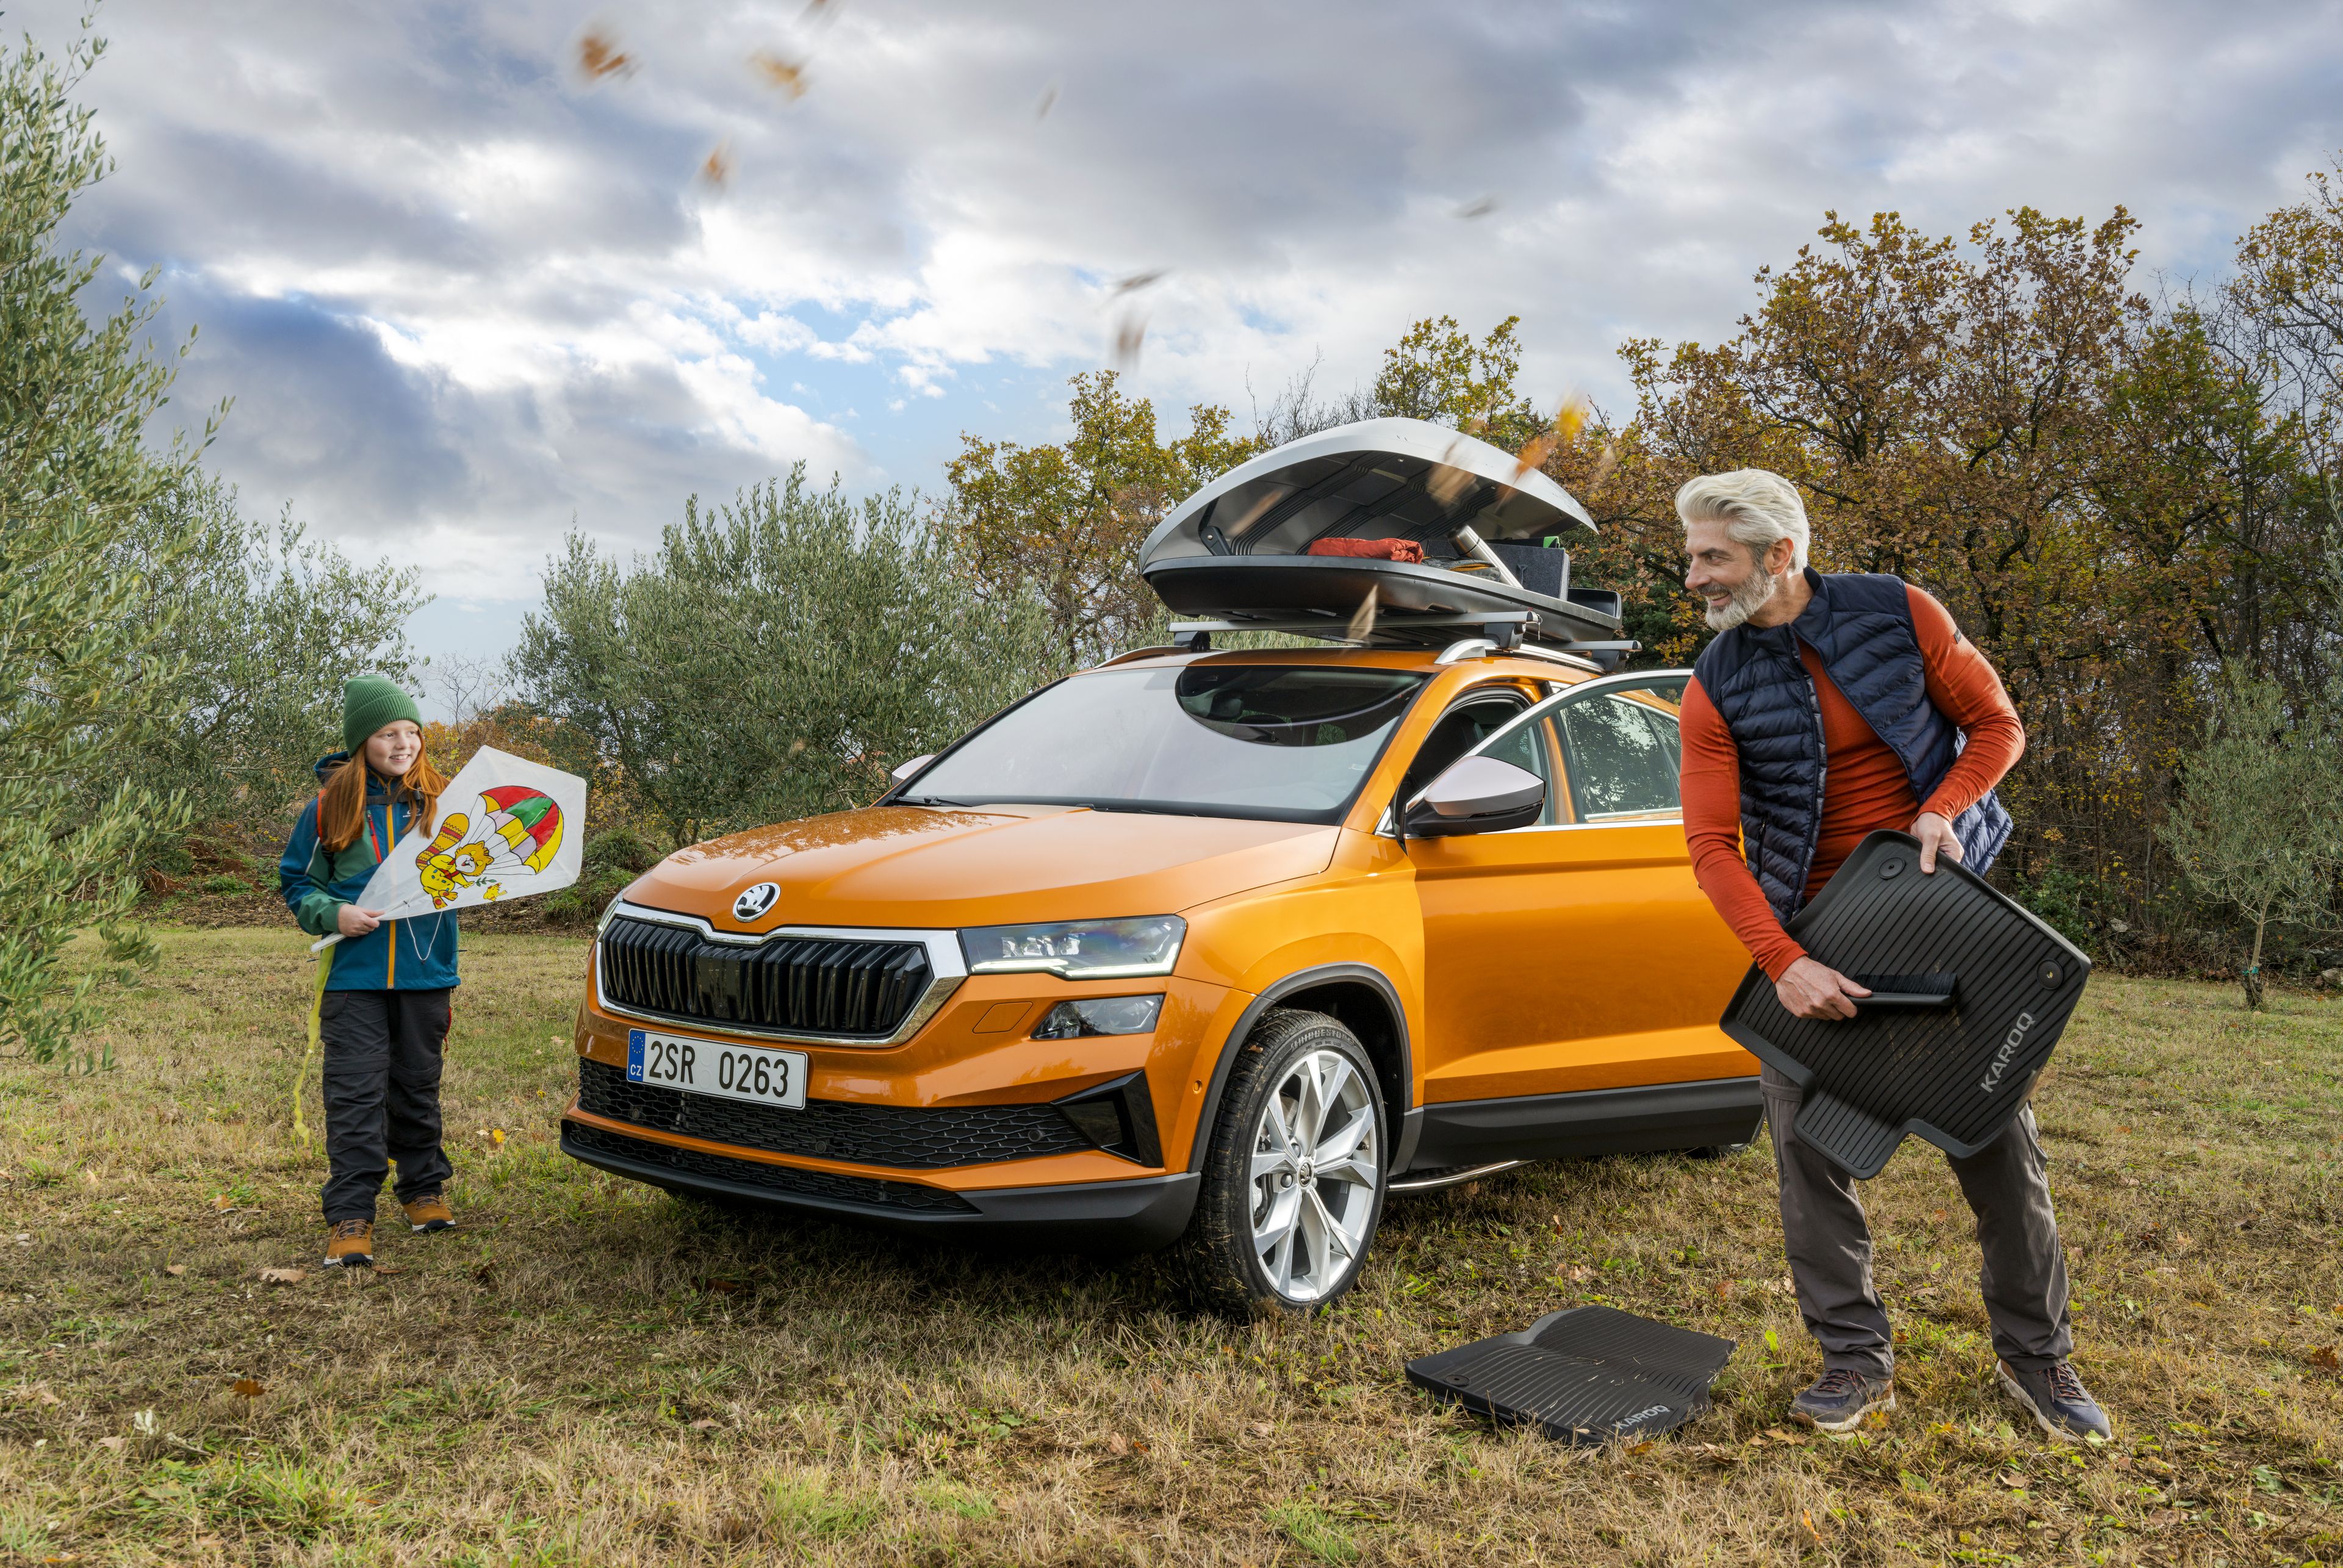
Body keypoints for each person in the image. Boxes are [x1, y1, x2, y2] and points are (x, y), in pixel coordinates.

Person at [1674, 470, 2109, 1442]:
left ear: (1779, 554)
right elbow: (1710, 846)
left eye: (1713, 556)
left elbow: (1998, 726)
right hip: (1811, 938)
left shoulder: (1901, 611)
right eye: (1694, 555)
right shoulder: (1715, 682)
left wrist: (1942, 809)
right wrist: (1783, 961)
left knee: (2000, 1146)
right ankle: (1854, 1362)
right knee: (1808, 1157)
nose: (1694, 576)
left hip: (1938, 920)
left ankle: (2038, 1359)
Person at [279, 677, 461, 1269]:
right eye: (388, 733)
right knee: (355, 1093)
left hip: (426, 973)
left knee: (415, 1086)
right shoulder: (329, 807)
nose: (403, 742)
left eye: (412, 732)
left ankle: (423, 1188)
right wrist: (335, 912)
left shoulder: (445, 803)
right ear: (363, 742)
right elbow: (297, 882)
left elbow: (480, 866)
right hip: (354, 978)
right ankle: (351, 1213)